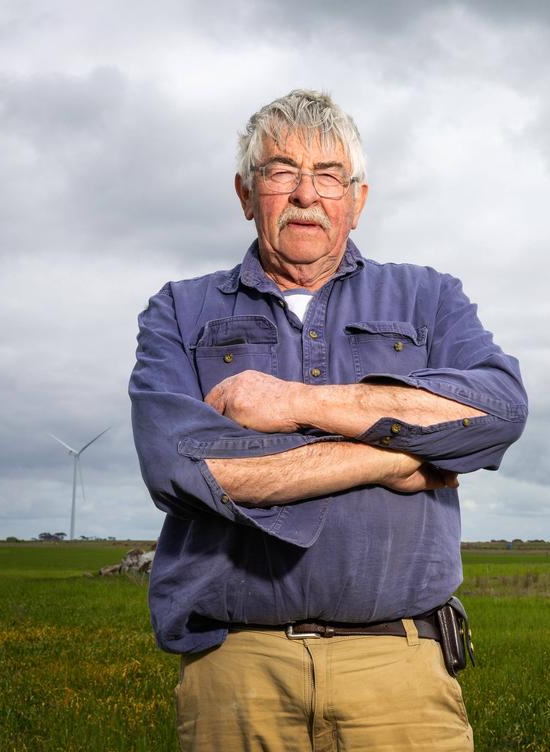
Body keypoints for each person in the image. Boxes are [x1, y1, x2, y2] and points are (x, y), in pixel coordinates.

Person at [129, 89, 527, 751]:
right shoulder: (180, 311)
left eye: (329, 175)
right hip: (237, 674)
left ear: (359, 198)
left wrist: (291, 404)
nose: (306, 194)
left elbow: (499, 411)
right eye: (281, 172)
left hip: (399, 669)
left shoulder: (429, 298)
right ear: (245, 193)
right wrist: (400, 454)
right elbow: (179, 467)